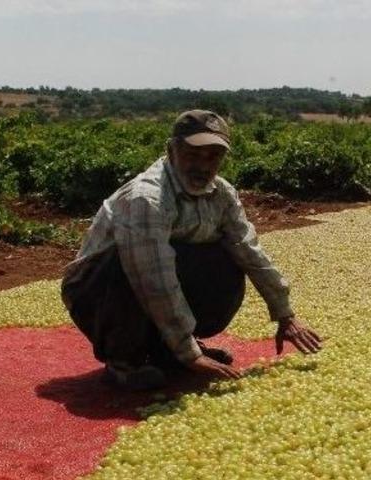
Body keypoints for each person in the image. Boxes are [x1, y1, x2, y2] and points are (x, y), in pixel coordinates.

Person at [61, 110, 322, 390]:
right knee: (129, 266)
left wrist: (285, 314)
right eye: (193, 154)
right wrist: (189, 351)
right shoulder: (147, 198)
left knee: (225, 258)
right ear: (171, 150)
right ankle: (124, 360)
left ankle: (166, 350)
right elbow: (153, 279)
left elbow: (249, 250)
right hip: (97, 289)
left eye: (213, 156)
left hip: (151, 280)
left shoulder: (222, 194)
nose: (203, 165)